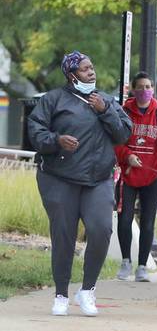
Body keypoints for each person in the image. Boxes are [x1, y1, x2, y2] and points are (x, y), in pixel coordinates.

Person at [28, 51, 132, 316]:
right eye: (85, 69)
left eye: (92, 67)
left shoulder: (106, 100)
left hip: (97, 180)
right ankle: (61, 294)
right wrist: (57, 140)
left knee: (101, 229)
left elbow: (123, 134)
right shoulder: (53, 100)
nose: (91, 72)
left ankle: (87, 290)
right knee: (63, 236)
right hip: (59, 178)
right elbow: (35, 132)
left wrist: (106, 110)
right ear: (71, 74)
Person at [114, 71, 157, 282]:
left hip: (152, 176)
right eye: (140, 87)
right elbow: (116, 142)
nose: (144, 91)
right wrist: (127, 155)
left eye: (148, 86)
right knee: (124, 219)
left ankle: (142, 266)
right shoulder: (123, 112)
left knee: (148, 222)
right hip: (128, 175)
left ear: (153, 89)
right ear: (132, 89)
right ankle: (125, 262)